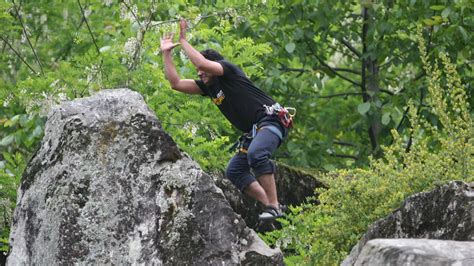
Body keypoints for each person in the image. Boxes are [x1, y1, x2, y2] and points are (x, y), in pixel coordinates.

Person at [160, 19, 292, 222]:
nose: (199, 72)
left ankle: (274, 206)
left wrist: (183, 41)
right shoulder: (209, 87)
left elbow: (202, 63)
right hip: (255, 130)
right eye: (198, 72)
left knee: (257, 154)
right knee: (235, 170)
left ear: (214, 66)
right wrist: (166, 53)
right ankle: (272, 206)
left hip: (271, 120)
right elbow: (176, 83)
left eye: (203, 70)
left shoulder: (228, 71)